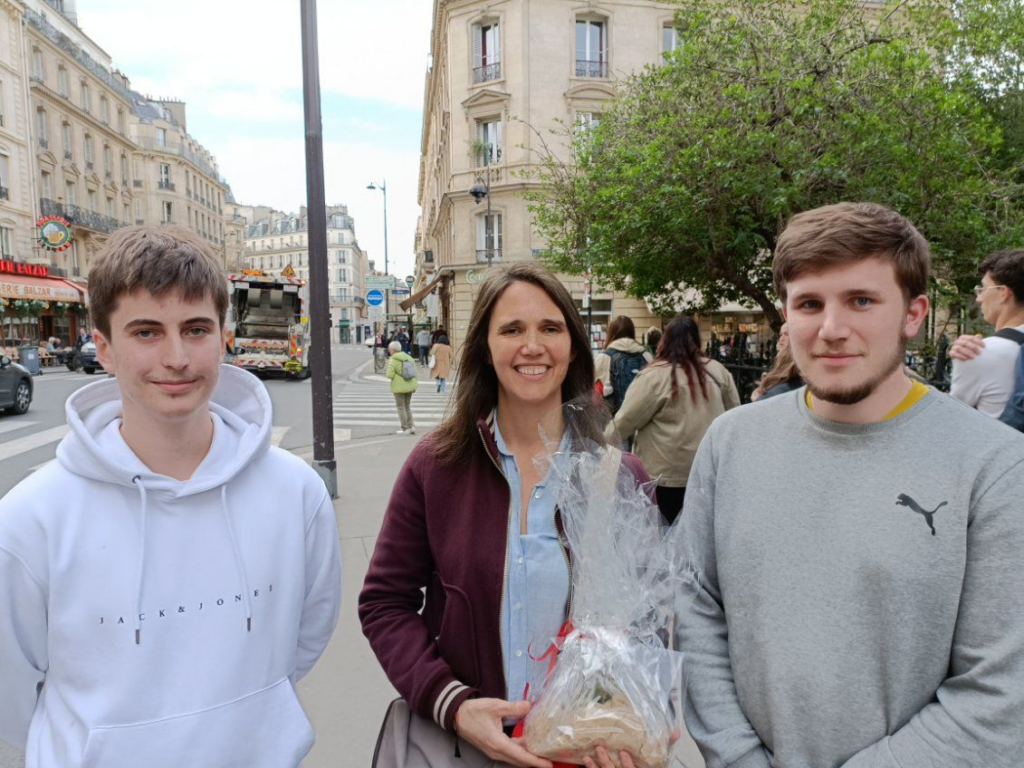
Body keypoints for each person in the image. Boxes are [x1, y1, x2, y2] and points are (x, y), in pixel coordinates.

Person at [675, 202, 1024, 768]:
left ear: (914, 314)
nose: (832, 330)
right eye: (810, 303)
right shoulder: (730, 443)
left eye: (861, 300)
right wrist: (737, 757)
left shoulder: (997, 466)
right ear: (787, 316)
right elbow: (695, 610)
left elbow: (1000, 695)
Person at [0, 225, 342, 768]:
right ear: (105, 347)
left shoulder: (296, 492)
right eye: (146, 332)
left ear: (223, 336)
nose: (177, 357)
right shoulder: (29, 519)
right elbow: (12, 694)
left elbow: (307, 636)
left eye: (196, 328)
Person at [359, 262, 652, 768]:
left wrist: (637, 716)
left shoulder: (619, 477)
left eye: (551, 329)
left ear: (574, 347)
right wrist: (451, 702)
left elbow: (651, 627)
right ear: (485, 349)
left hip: (582, 752)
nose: (532, 346)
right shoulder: (435, 466)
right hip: (463, 750)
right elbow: (385, 604)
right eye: (512, 329)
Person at [611, 316, 739, 524]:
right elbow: (734, 415)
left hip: (662, 474)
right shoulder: (718, 371)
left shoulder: (653, 376)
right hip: (707, 472)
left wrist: (596, 442)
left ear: (665, 340)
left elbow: (626, 421)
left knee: (659, 537)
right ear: (698, 340)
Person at [948, 250, 1024, 417]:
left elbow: (952, 422)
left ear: (1003, 293)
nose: (979, 298)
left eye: (983, 288)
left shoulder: (977, 351)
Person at [593, 315, 653, 413]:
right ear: (632, 333)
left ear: (611, 333)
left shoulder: (603, 358)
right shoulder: (646, 356)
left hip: (613, 423)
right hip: (643, 421)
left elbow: (595, 397)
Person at [750, 322, 803, 401]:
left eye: (786, 334)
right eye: (781, 334)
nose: (781, 338)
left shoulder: (797, 361)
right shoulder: (780, 358)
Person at [386, 339, 418, 435]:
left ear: (392, 350)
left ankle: (405, 428)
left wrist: (396, 376)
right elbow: (414, 372)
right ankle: (412, 426)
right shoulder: (409, 357)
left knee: (401, 407)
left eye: (389, 349)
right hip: (410, 385)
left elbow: (389, 375)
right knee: (407, 406)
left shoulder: (393, 359)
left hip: (399, 387)